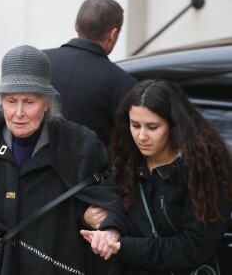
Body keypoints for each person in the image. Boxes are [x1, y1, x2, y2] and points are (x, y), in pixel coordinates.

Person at [0, 45, 126, 275]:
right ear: (1, 102)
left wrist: (109, 229)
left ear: (46, 103)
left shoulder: (81, 144)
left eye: (29, 102)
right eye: (11, 101)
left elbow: (111, 196)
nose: (19, 112)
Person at [81, 79, 232, 275]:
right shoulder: (125, 160)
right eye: (135, 125)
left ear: (174, 126)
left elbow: (192, 248)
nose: (142, 136)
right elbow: (111, 203)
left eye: (152, 127)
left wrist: (123, 247)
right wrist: (104, 223)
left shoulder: (204, 170)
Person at [44, 0, 136, 150]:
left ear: (75, 25)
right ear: (113, 34)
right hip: (91, 172)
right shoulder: (124, 83)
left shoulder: (38, 61)